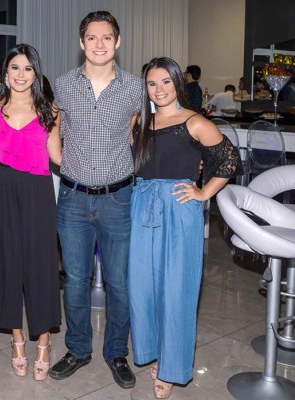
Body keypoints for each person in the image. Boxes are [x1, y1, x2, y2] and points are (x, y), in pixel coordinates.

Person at [129, 57, 242, 399]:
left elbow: (229, 159)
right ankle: (155, 351)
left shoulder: (193, 122)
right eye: (152, 83)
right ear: (145, 87)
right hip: (141, 206)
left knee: (176, 289)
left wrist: (203, 191)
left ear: (178, 83)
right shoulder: (139, 121)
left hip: (179, 209)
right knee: (143, 287)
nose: (159, 89)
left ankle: (172, 368)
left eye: (166, 81)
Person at [49, 11, 142, 390]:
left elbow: (140, 133)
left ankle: (116, 352)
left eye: (106, 37)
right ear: (81, 42)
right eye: (91, 38)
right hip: (72, 197)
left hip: (118, 199)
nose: (99, 44)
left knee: (119, 282)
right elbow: (53, 130)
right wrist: (64, 164)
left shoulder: (136, 87)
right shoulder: (63, 84)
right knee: (74, 280)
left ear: (117, 42)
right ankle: (78, 349)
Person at [0, 44, 62, 381]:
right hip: (4, 190)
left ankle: (43, 342)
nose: (21, 75)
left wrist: (100, 167)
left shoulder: (50, 111)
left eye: (28, 68)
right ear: (5, 72)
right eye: (14, 67)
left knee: (42, 267)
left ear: (36, 73)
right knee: (8, 265)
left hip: (39, 191)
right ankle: (17, 341)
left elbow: (58, 156)